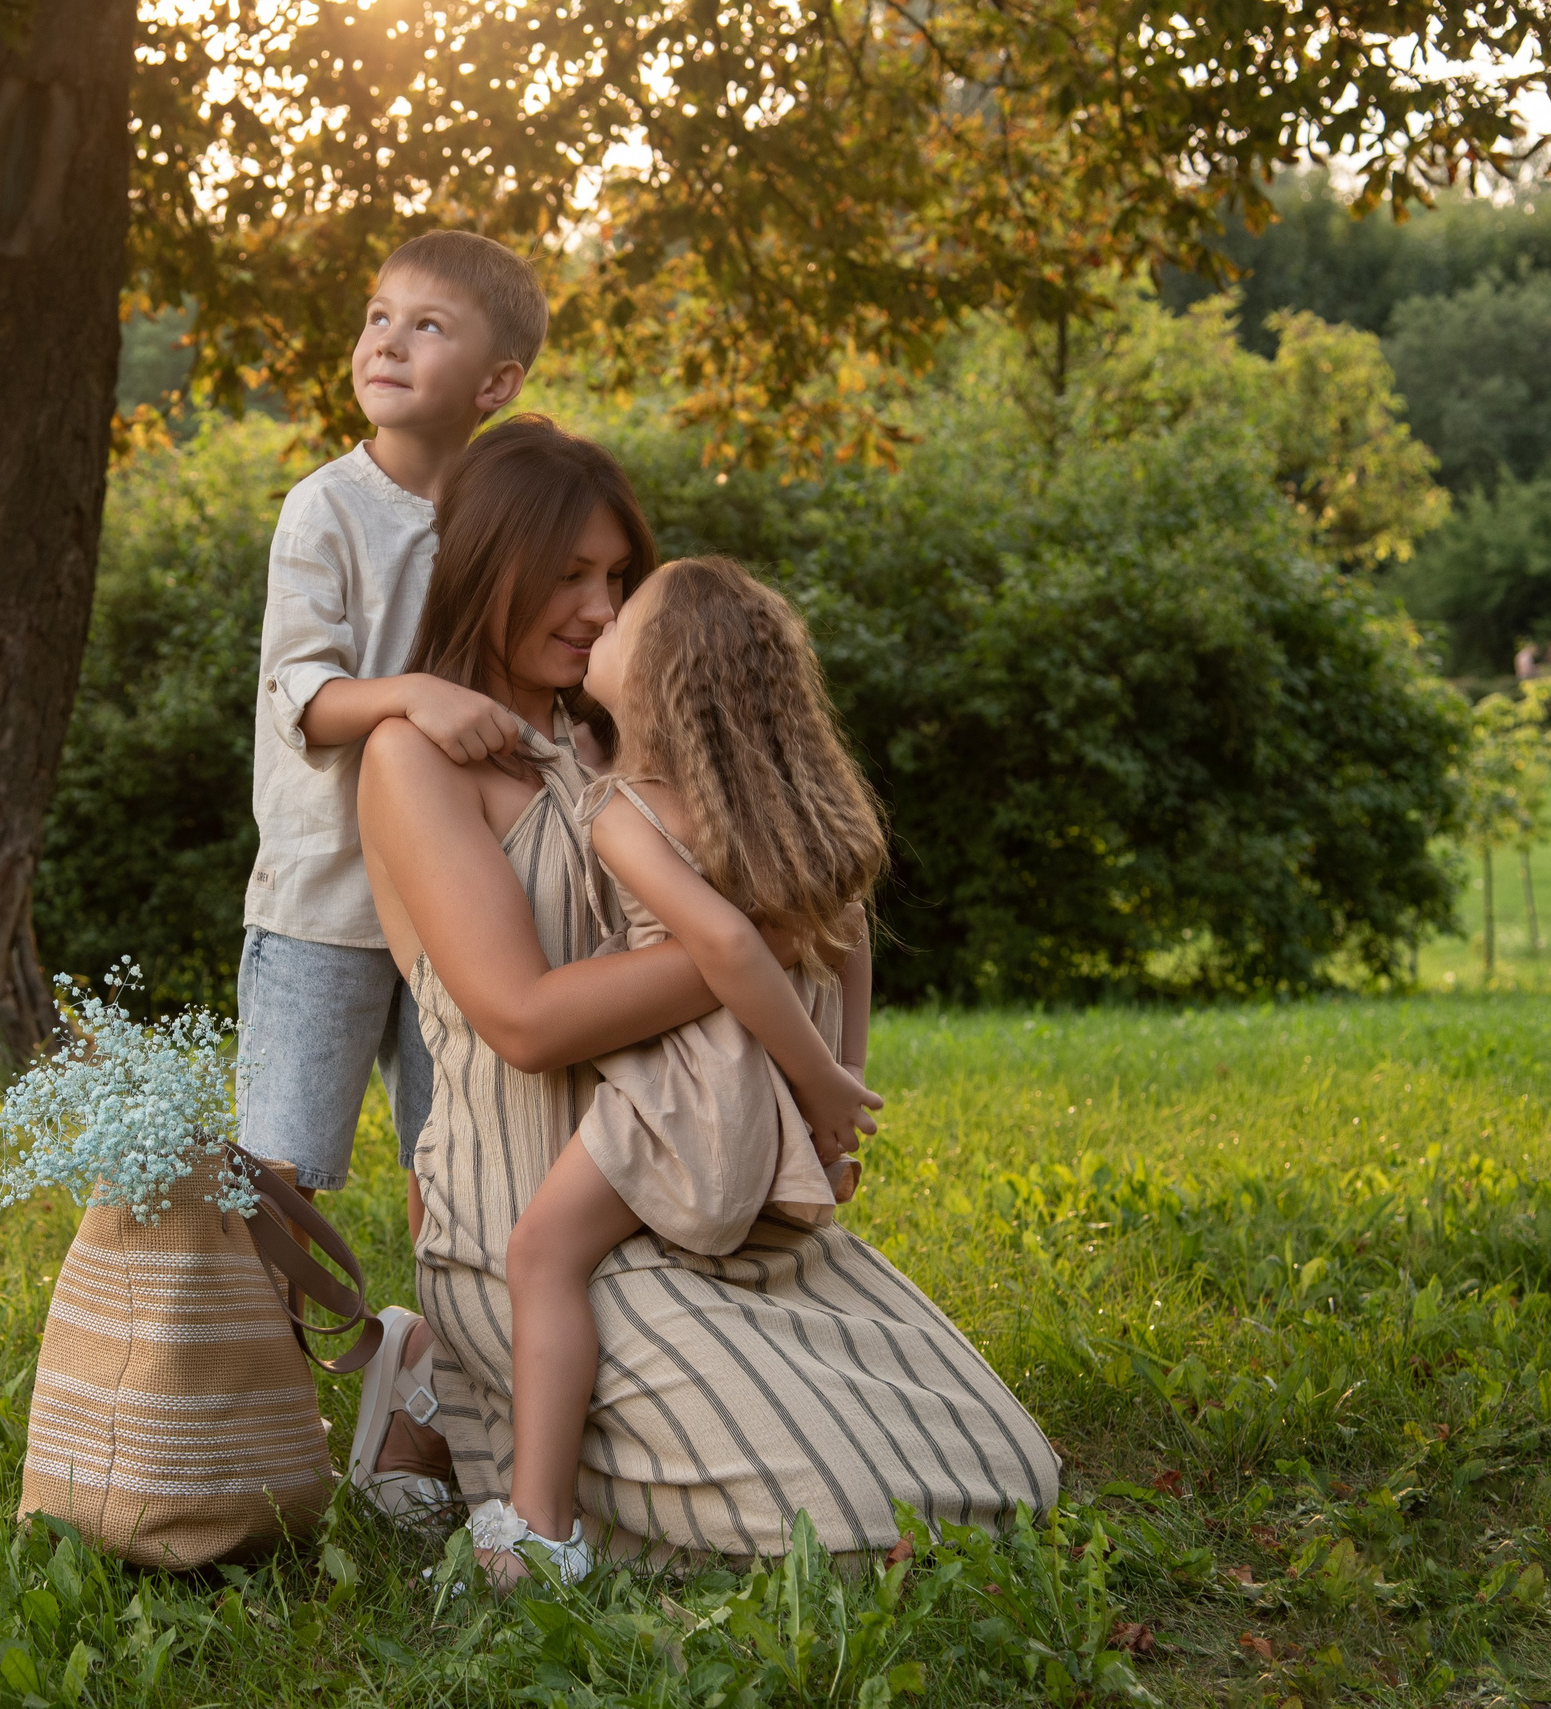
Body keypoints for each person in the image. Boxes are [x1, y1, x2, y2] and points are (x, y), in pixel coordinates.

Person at [349, 416, 1059, 1579]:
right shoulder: (413, 757)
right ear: (487, 564)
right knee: (831, 1525)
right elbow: (521, 1020)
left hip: (701, 1193)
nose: (595, 605)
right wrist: (755, 944)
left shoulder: (617, 739)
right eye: (567, 573)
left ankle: (456, 1399)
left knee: (998, 1473)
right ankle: (468, 1395)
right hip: (532, 1219)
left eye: (616, 578)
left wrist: (792, 971)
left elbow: (809, 891)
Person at [492, 556, 889, 1575]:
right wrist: (835, 1091)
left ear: (660, 681)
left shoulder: (625, 811)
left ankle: (536, 1524)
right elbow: (849, 937)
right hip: (768, 1097)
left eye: (620, 624)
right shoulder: (780, 807)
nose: (599, 630)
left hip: (690, 1092)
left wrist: (819, 1085)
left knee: (541, 1255)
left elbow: (723, 948)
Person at [238, 229, 548, 1241]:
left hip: (458, 896)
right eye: (378, 318)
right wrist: (416, 694)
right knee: (282, 1169)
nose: (388, 341)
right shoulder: (325, 507)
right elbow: (306, 698)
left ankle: (450, 1371)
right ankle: (266, 1386)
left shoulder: (502, 518)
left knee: (456, 1151)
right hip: (322, 896)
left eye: (427, 326)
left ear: (495, 380)